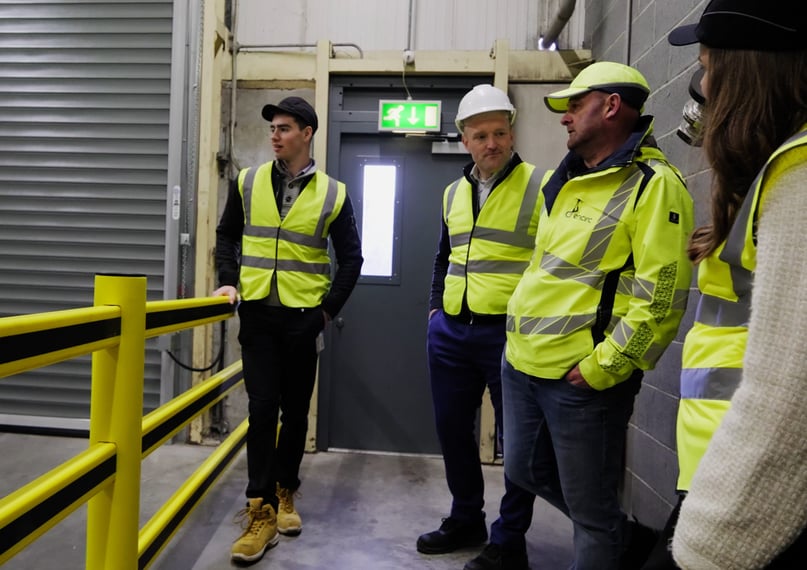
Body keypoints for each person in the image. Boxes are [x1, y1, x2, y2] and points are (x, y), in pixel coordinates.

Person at [500, 62, 694, 570]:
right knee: (523, 470)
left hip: (581, 382)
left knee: (589, 514)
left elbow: (662, 295)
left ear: (611, 106)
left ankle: (607, 537)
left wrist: (604, 367)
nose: (564, 118)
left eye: (574, 105)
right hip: (522, 365)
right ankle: (620, 536)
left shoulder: (654, 185)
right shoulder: (567, 181)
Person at [664, 2, 807, 568]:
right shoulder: (775, 173)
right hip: (715, 466)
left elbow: (790, 398)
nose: (700, 87)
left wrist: (707, 543)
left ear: (748, 73)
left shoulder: (797, 178)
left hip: (741, 500)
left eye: (705, 64)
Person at [214, 96, 363, 563]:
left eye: (284, 128)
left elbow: (352, 259)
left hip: (303, 320)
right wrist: (227, 280)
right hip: (257, 314)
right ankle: (259, 509)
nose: (275, 135)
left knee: (295, 413)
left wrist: (324, 312)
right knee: (262, 409)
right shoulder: (247, 182)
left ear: (307, 132)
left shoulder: (333, 193)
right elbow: (227, 235)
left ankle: (285, 491)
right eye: (272, 128)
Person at [415, 84, 543, 570]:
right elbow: (444, 256)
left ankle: (509, 539)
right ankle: (466, 516)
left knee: (518, 442)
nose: (492, 143)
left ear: (511, 134)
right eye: (481, 135)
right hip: (450, 333)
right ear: (464, 140)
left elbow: (551, 263)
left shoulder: (540, 185)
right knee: (452, 430)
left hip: (509, 335)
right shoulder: (453, 192)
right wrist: (433, 311)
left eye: (500, 133)